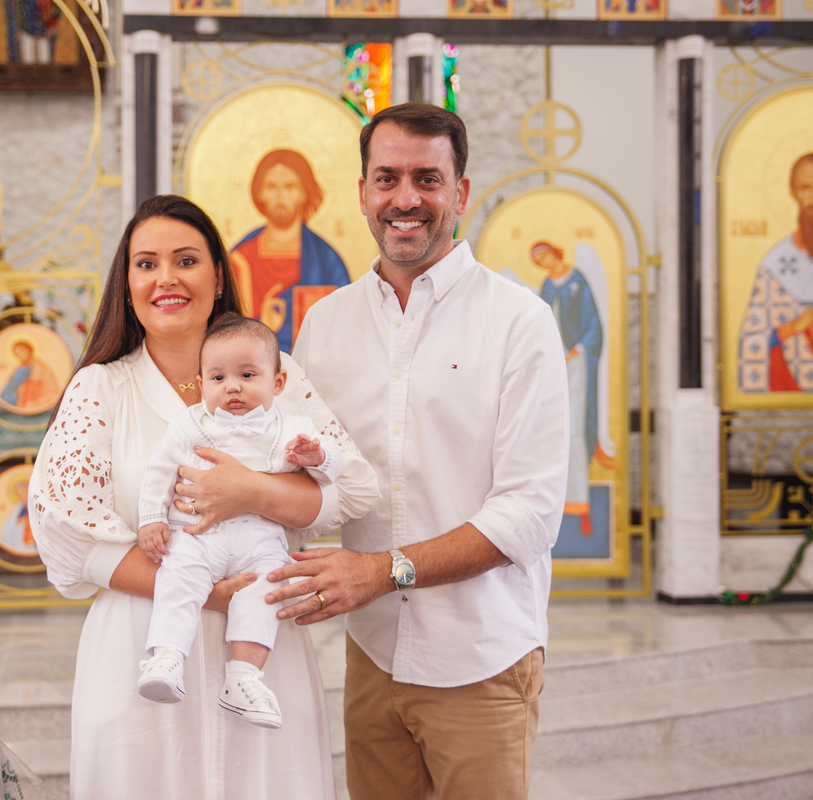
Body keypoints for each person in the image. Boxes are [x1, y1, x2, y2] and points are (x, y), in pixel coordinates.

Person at [29, 195, 379, 800]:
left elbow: (352, 486)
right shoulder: (101, 387)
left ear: (218, 275)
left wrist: (255, 491)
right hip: (144, 640)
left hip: (264, 639)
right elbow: (68, 532)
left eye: (185, 260)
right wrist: (207, 594)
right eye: (146, 264)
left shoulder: (277, 373)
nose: (165, 278)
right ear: (127, 283)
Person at [268, 103, 569, 800]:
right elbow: (299, 482)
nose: (406, 199)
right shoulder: (326, 322)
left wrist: (383, 571)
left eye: (428, 179)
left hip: (481, 656)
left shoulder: (519, 322)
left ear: (460, 193)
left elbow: (527, 517)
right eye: (387, 178)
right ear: (364, 192)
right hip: (372, 655)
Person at [135, 313, 344, 730]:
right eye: (218, 378)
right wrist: (152, 518)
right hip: (197, 534)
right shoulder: (190, 424)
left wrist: (316, 457)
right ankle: (166, 658)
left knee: (266, 591)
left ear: (277, 383)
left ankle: (244, 678)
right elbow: (159, 471)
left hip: (260, 538)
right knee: (177, 580)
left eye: (247, 375)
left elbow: (332, 469)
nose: (232, 386)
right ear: (201, 384)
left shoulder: (294, 427)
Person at [231, 149, 350, 352]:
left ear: (305, 193)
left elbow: (345, 324)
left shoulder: (327, 260)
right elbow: (223, 330)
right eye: (271, 187)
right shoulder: (240, 259)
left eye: (290, 187)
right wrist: (264, 326)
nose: (280, 196)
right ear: (259, 192)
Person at [531, 241, 609, 535]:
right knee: (548, 429)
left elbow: (593, 326)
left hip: (575, 363)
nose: (544, 263)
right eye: (538, 260)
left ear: (556, 253)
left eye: (545, 256)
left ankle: (580, 503)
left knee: (574, 431)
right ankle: (550, 504)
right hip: (551, 363)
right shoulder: (547, 286)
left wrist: (577, 351)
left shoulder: (578, 281)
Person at [738, 152, 813, 394]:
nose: (812, 198)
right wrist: (794, 327)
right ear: (793, 192)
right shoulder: (773, 267)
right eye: (805, 189)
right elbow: (750, 341)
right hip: (789, 386)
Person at [0, 336, 60, 411]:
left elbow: (53, 393)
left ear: (30, 350)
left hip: (39, 408)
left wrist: (35, 403)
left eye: (22, 351)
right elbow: (5, 395)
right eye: (17, 354)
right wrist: (19, 396)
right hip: (21, 408)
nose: (21, 355)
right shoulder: (19, 371)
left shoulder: (43, 370)